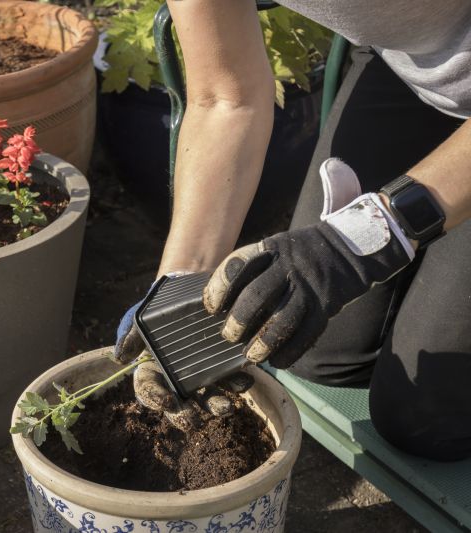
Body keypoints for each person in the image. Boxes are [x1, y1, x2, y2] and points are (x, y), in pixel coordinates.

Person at [113, 0, 471, 462]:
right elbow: (225, 98)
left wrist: (370, 234)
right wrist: (177, 289)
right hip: (416, 66)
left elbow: (364, 240)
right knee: (312, 346)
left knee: (424, 421)